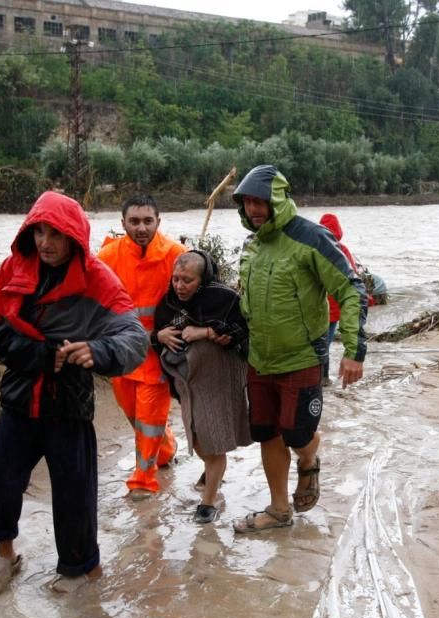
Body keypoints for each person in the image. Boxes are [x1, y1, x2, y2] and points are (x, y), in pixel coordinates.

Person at [0, 191, 148, 596]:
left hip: (69, 402)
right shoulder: (12, 270)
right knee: (0, 482)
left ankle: (80, 570)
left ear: (74, 236)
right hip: (19, 397)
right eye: (39, 231)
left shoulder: (97, 279)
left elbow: (134, 337)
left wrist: (98, 350)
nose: (45, 242)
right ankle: (6, 556)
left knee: (75, 492)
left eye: (55, 234)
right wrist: (42, 355)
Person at [232, 165, 368, 534]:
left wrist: (354, 351)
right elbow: (243, 302)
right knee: (265, 431)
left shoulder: (312, 238)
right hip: (260, 359)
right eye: (247, 202)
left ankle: (309, 457)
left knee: (296, 434)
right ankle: (278, 510)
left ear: (279, 199)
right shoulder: (252, 245)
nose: (254, 209)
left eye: (261, 201)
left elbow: (351, 290)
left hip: (303, 356)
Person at [97, 195, 187, 500]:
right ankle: (166, 450)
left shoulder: (176, 255)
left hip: (158, 356)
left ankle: (143, 481)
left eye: (148, 221)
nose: (141, 227)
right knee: (136, 416)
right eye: (134, 221)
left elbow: (194, 299)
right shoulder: (107, 257)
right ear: (123, 224)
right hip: (122, 354)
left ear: (158, 222)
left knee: (149, 418)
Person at [154, 250, 251, 523]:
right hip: (188, 384)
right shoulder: (169, 305)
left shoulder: (225, 299)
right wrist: (159, 335)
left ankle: (207, 503)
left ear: (203, 279)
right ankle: (212, 470)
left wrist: (208, 332)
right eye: (176, 279)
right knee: (197, 438)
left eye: (188, 280)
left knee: (213, 438)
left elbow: (245, 333)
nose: (180, 286)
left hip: (220, 381)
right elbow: (155, 338)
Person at [319, 213, 369, 386]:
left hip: (320, 308)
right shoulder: (342, 250)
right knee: (326, 344)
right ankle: (323, 378)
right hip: (337, 308)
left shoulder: (315, 248)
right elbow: (354, 279)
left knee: (320, 345)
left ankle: (322, 378)